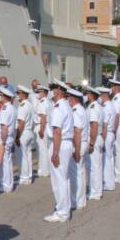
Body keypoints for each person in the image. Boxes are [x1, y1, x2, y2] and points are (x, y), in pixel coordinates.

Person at [44, 80, 74, 223]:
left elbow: (56, 131)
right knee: (64, 179)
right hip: (65, 143)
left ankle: (61, 212)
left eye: (52, 88)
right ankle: (65, 209)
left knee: (58, 180)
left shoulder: (58, 107)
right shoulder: (66, 105)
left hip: (60, 144)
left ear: (58, 91)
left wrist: (55, 153)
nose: (50, 91)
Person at [67, 88, 88, 210]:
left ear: (73, 99)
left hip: (78, 144)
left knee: (76, 174)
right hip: (81, 143)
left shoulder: (76, 111)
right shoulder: (81, 109)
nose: (68, 100)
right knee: (80, 172)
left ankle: (77, 201)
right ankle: (81, 200)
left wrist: (76, 149)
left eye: (69, 98)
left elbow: (77, 132)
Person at [0, 85, 17, 192]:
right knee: (7, 161)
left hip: (4, 138)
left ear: (4, 97)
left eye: (0, 95)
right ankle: (7, 183)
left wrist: (2, 142)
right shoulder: (12, 108)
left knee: (5, 162)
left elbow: (4, 127)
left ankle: (6, 185)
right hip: (9, 138)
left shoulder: (5, 109)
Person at [85, 87, 104, 201]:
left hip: (94, 139)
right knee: (97, 165)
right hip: (98, 138)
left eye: (88, 93)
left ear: (91, 95)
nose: (86, 95)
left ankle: (95, 192)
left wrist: (91, 142)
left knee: (94, 166)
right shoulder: (98, 107)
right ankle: (96, 190)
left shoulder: (93, 108)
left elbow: (94, 126)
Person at [15, 85, 36, 186]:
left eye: (18, 93)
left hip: (24, 132)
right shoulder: (30, 104)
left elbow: (21, 123)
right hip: (30, 131)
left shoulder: (22, 106)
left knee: (22, 157)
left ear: (23, 94)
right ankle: (29, 177)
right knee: (28, 155)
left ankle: (24, 178)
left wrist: (17, 136)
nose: (17, 95)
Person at [100, 86, 117, 192]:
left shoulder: (106, 107)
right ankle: (110, 182)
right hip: (111, 133)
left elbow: (104, 124)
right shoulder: (110, 105)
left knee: (106, 160)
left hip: (107, 134)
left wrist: (103, 137)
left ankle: (108, 183)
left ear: (103, 95)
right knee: (109, 158)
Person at [34, 83, 50, 178]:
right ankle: (45, 169)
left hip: (42, 126)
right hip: (44, 126)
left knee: (42, 149)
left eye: (39, 91)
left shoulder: (43, 102)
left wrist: (41, 129)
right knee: (44, 149)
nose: (38, 93)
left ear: (44, 92)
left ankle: (44, 170)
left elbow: (43, 117)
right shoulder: (47, 102)